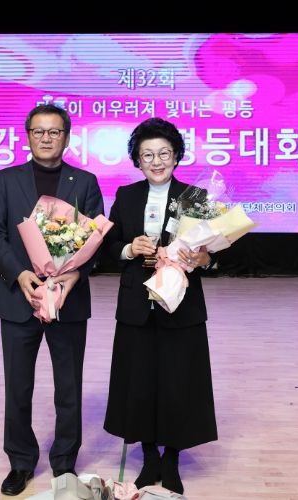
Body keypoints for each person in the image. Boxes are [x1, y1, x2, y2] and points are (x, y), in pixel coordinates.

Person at [0, 104, 104, 496]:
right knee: (18, 387)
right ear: (28, 136)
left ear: (67, 138)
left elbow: (95, 239)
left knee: (69, 387)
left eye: (54, 132)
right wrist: (20, 275)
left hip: (68, 300)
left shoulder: (85, 182)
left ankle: (64, 463)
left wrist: (72, 276)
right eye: (38, 131)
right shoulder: (5, 180)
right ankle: (20, 462)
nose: (46, 138)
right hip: (19, 299)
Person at [102, 117, 218, 495]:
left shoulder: (195, 197)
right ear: (137, 160)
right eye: (148, 155)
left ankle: (171, 459)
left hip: (180, 302)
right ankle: (149, 456)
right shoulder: (126, 196)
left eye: (164, 153)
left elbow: (213, 252)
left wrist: (202, 259)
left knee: (178, 382)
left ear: (177, 156)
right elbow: (108, 245)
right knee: (139, 382)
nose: (156, 161)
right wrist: (128, 248)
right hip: (137, 302)